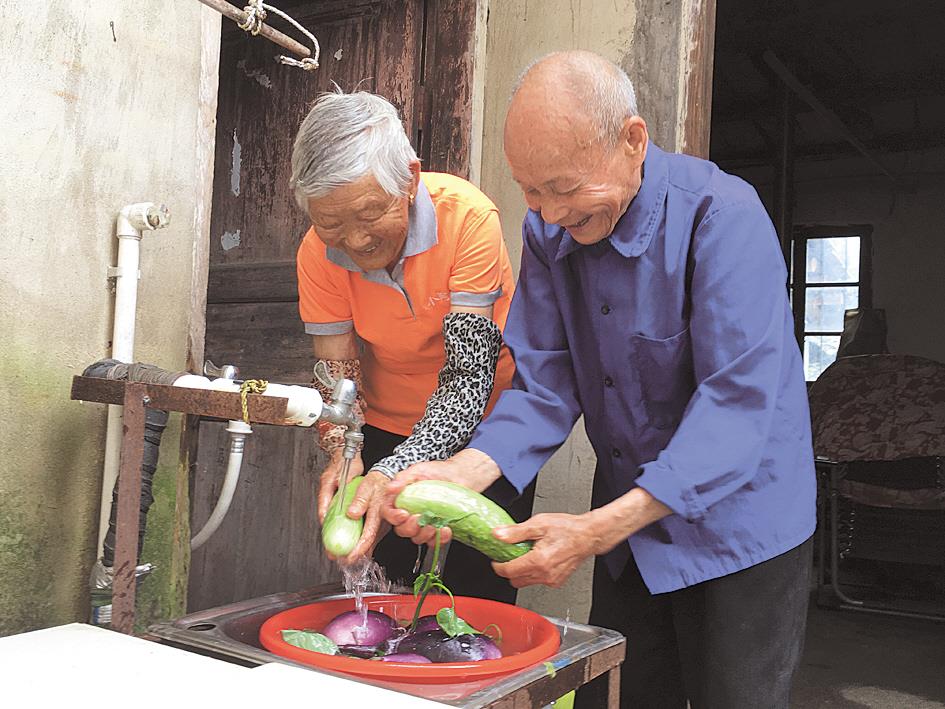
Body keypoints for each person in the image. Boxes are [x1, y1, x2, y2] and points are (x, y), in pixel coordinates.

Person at [384, 51, 815, 708]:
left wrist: (594, 529)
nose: (548, 213)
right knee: (620, 694)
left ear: (632, 141)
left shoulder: (722, 217)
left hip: (741, 528)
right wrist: (463, 470)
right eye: (529, 190)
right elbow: (544, 384)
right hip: (630, 535)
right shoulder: (548, 231)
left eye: (563, 187)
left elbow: (734, 409)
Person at [291, 90, 533, 603]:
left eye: (368, 213)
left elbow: (468, 379)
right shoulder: (318, 252)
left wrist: (390, 471)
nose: (354, 241)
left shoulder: (468, 219)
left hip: (486, 427)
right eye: (330, 223)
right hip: (384, 423)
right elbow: (339, 374)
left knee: (471, 597)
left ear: (410, 180)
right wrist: (345, 449)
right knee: (381, 592)